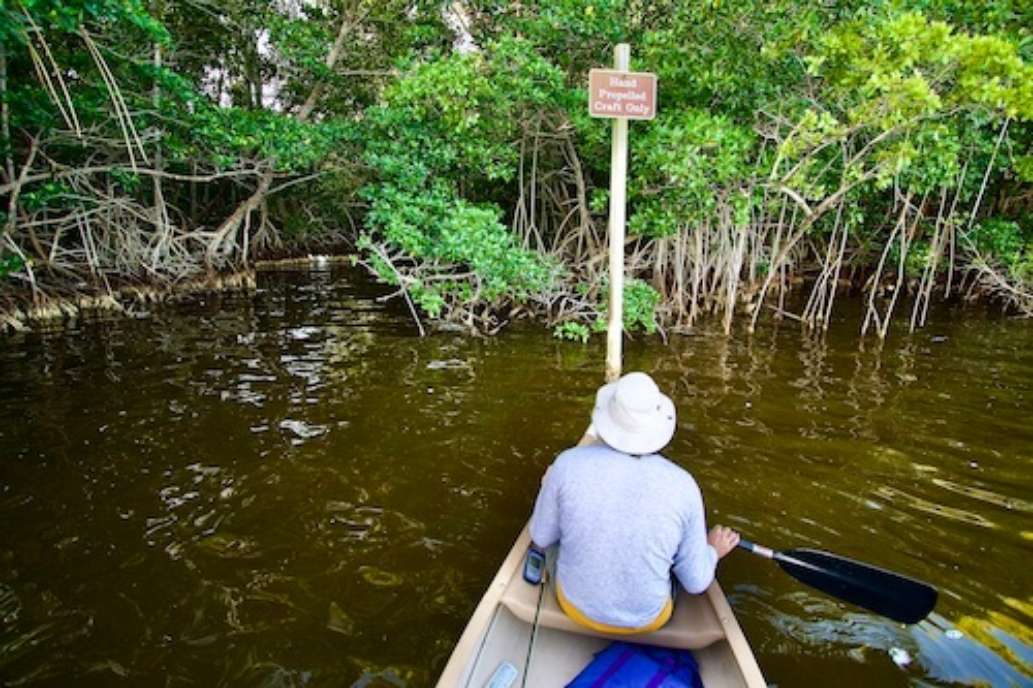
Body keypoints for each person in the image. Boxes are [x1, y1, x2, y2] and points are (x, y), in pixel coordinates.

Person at [529, 371, 740, 634]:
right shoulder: (684, 485)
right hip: (648, 622)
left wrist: (548, 487)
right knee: (680, 562)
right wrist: (713, 550)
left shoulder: (567, 464)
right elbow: (697, 582)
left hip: (574, 607)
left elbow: (540, 536)